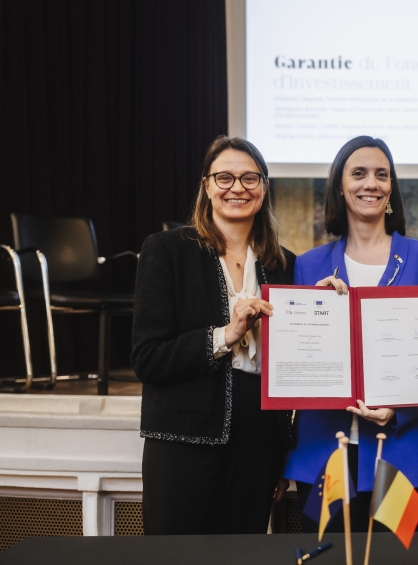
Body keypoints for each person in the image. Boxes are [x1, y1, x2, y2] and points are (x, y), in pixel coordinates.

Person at [284, 136, 418, 533]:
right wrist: (309, 314)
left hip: (406, 458)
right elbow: (296, 359)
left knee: (401, 561)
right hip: (327, 458)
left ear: (391, 187)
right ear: (340, 186)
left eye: (382, 174)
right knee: (325, 558)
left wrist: (401, 410)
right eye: (358, 173)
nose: (371, 183)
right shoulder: (308, 268)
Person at [132, 136, 295, 534]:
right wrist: (225, 334)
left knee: (243, 557)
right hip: (182, 438)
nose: (237, 188)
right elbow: (148, 358)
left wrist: (323, 306)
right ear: (206, 186)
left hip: (258, 443)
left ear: (264, 187)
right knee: (175, 558)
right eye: (224, 177)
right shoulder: (166, 251)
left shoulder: (285, 264)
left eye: (249, 178)